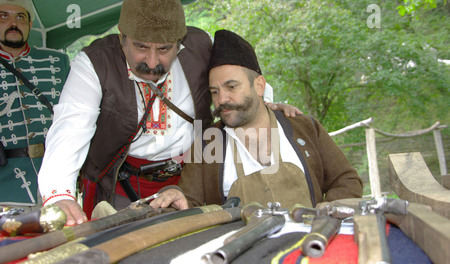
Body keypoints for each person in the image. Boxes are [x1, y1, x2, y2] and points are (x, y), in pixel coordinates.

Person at [38, 0, 298, 226]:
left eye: (164, 50)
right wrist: (59, 195)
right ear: (122, 37)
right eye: (141, 47)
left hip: (193, 179)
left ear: (179, 42)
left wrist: (267, 104)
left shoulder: (199, 46)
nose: (152, 62)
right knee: (122, 261)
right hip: (121, 182)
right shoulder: (95, 62)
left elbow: (240, 78)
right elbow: (71, 126)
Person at [150, 30, 363, 211]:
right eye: (214, 91)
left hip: (311, 245)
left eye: (232, 87)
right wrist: (175, 195)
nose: (221, 99)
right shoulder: (207, 144)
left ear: (259, 86)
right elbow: (189, 201)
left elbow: (346, 180)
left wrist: (327, 214)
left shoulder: (305, 128)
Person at [0, 0, 70, 212]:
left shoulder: (57, 61)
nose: (14, 23)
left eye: (20, 17)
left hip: (56, 179)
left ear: (30, 24)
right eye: (4, 16)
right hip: (6, 185)